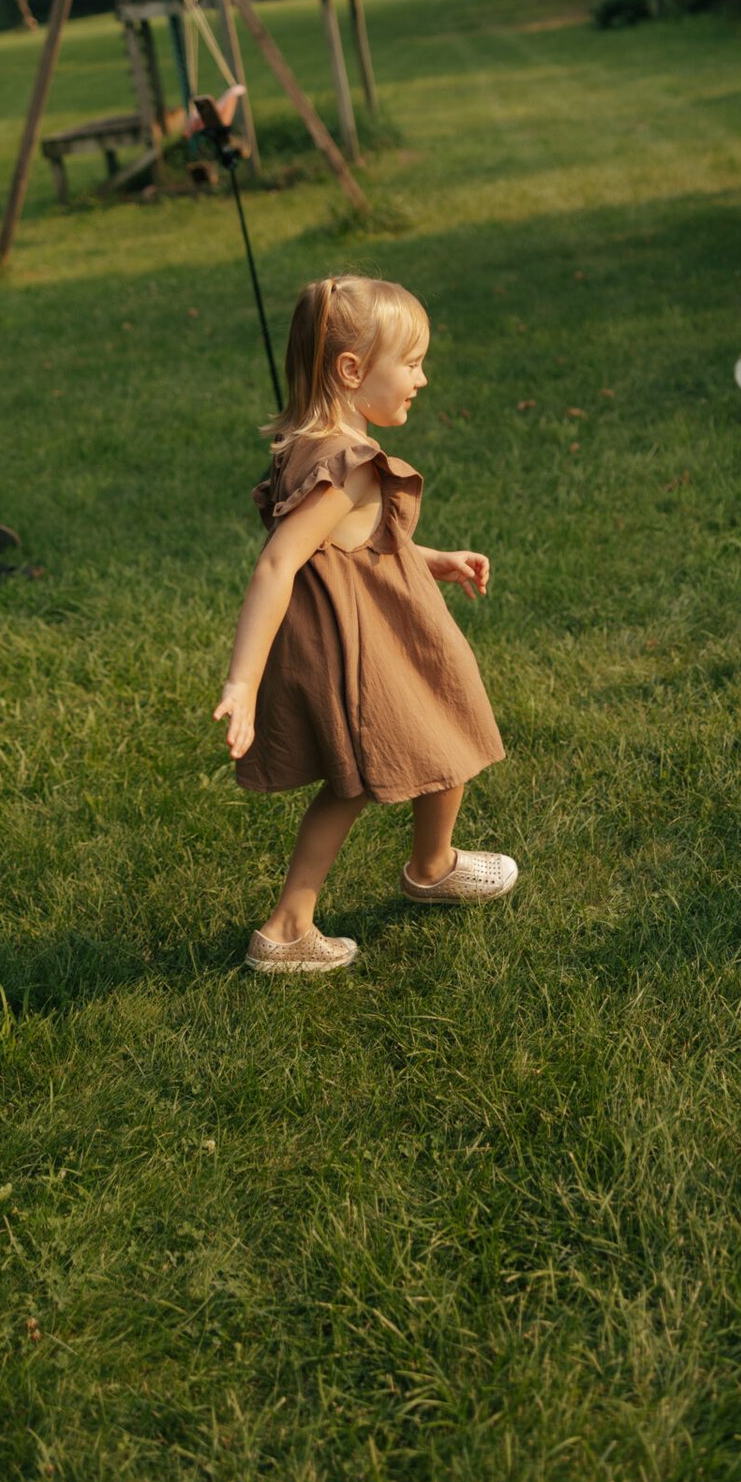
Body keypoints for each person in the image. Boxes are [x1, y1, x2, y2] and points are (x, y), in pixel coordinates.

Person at [215, 274, 515, 973]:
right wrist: (242, 681)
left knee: (369, 773)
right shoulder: (348, 466)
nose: (423, 377)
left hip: (377, 625)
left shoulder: (312, 447)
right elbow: (277, 565)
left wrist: (431, 559)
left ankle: (396, 877)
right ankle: (411, 875)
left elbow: (354, 543)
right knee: (445, 732)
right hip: (369, 647)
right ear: (352, 371)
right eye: (409, 363)